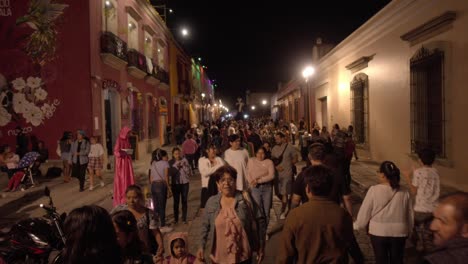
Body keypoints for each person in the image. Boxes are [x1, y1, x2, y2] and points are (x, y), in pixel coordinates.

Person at [276, 165, 359, 264]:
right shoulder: (342, 214)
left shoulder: (295, 215)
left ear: (308, 190)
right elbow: (351, 245)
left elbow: (285, 253)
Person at [197, 165, 266, 264]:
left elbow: (260, 220)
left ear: (235, 181)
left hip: (243, 257)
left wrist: (261, 245)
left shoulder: (245, 199)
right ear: (217, 184)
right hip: (218, 258)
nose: (226, 183)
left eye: (230, 179)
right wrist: (201, 246)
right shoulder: (211, 202)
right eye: (222, 180)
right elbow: (204, 227)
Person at [354, 161, 414, 264]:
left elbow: (365, 212)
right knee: (397, 261)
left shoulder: (374, 190)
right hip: (400, 232)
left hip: (378, 232)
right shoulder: (404, 192)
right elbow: (409, 214)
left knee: (381, 260)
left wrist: (357, 225)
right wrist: (410, 230)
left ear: (382, 174)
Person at [111, 185, 164, 261]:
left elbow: (155, 232)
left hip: (143, 250)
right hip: (125, 250)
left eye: (135, 197)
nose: (131, 201)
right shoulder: (119, 210)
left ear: (140, 197)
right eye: (128, 198)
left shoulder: (148, 214)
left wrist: (161, 245)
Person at [403, 148, 440, 252]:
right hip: (433, 208)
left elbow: (414, 191)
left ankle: (420, 253)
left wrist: (407, 177)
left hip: (421, 209)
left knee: (417, 234)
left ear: (420, 160)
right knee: (429, 234)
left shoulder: (418, 172)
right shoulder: (436, 172)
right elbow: (426, 179)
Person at [423, 192, 468, 264]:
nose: (432, 227)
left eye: (443, 221)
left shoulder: (438, 260)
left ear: (466, 230)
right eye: (434, 218)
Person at [246, 147, 275, 240]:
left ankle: (265, 231)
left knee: (266, 211)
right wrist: (251, 181)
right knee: (258, 210)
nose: (260, 155)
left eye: (262, 153)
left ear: (265, 154)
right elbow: (247, 173)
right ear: (255, 153)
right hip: (255, 188)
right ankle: (258, 231)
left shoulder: (269, 162)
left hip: (267, 188)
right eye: (258, 153)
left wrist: (259, 180)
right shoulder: (251, 161)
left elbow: (271, 175)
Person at [271, 132, 297, 219]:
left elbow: (295, 159)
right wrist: (276, 166)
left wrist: (288, 164)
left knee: (284, 193)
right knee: (278, 193)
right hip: (277, 175)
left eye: (278, 138)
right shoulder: (274, 148)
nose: (276, 140)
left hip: (287, 174)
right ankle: (288, 205)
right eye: (276, 139)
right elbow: (273, 160)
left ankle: (283, 211)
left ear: (283, 138)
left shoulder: (290, 147)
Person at [150, 149, 173, 232]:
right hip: (161, 185)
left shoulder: (153, 163)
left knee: (155, 207)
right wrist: (169, 188)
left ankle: (155, 224)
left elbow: (151, 178)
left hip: (153, 186)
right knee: (162, 206)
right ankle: (162, 225)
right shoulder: (165, 163)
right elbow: (166, 177)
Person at [198, 144, 225, 211]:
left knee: (219, 209)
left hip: (218, 188)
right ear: (207, 150)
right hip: (206, 188)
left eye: (215, 149)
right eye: (213, 149)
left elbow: (223, 169)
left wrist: (213, 169)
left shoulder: (218, 159)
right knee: (206, 210)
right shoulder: (202, 160)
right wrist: (216, 167)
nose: (215, 151)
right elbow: (205, 173)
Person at [169, 147, 192, 225]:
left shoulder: (184, 160)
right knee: (176, 201)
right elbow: (170, 173)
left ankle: (184, 218)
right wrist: (176, 166)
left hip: (185, 183)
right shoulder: (171, 162)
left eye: (179, 153)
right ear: (173, 154)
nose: (177, 155)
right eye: (176, 154)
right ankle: (176, 219)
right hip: (175, 184)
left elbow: (189, 172)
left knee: (184, 200)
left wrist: (185, 166)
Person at [113, 126, 135, 206]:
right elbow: (116, 151)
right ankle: (121, 198)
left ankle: (128, 195)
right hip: (121, 163)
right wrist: (122, 153)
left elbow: (128, 148)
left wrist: (129, 151)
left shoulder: (127, 139)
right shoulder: (119, 139)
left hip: (127, 162)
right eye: (128, 132)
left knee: (128, 178)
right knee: (121, 179)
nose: (129, 134)